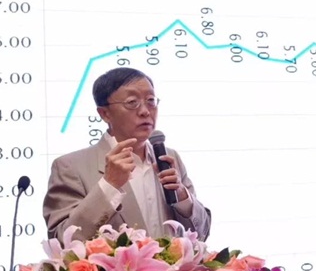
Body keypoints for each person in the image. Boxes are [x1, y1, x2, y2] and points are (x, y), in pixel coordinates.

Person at [43, 67, 211, 244]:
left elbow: (202, 233)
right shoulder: (70, 167)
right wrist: (109, 185)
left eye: (151, 101)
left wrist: (183, 197)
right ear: (105, 114)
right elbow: (63, 241)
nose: (145, 111)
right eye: (132, 102)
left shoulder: (169, 157)